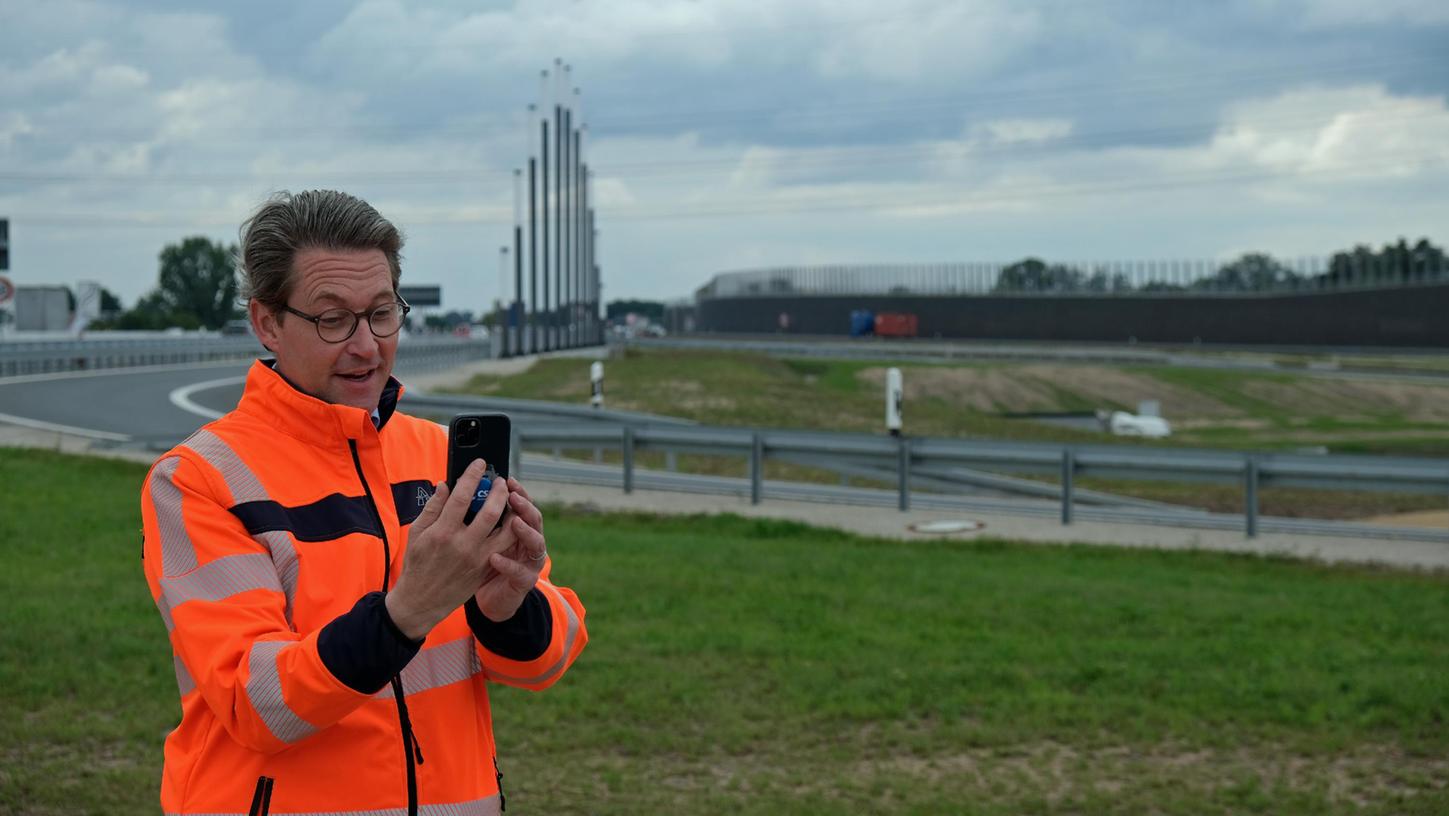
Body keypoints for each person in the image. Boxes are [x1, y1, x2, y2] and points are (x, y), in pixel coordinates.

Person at [140, 190, 587, 816]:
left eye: (382, 313)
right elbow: (255, 700)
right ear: (267, 321)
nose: (366, 345)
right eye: (333, 319)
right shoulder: (199, 480)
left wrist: (507, 605)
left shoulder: (441, 457)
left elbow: (544, 661)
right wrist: (408, 610)